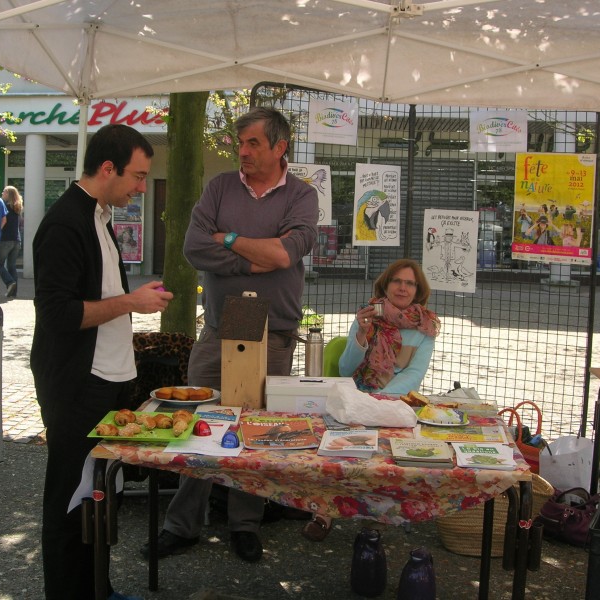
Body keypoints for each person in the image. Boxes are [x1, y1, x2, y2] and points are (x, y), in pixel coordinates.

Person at [152, 106, 318, 563]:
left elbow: (286, 255)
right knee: (197, 425)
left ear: (280, 147)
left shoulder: (302, 195)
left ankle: (245, 525)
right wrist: (254, 258)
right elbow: (193, 248)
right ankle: (182, 525)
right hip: (219, 329)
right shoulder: (219, 187)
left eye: (252, 143)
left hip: (275, 333)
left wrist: (227, 239)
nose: (242, 151)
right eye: (240, 143)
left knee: (257, 430)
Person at [31, 123, 172, 600]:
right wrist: (132, 302)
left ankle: (98, 589)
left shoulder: (99, 215)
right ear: (108, 168)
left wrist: (133, 299)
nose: (141, 187)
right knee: (69, 501)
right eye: (138, 176)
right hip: (77, 384)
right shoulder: (64, 223)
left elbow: (101, 292)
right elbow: (58, 314)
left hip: (107, 379)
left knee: (100, 494)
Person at [303, 258, 440, 542]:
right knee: (337, 451)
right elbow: (345, 369)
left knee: (389, 455)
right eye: (397, 281)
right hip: (355, 396)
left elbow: (414, 376)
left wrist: (377, 402)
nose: (402, 288)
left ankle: (378, 517)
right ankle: (324, 513)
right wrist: (361, 334)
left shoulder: (425, 328)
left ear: (418, 290)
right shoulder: (367, 317)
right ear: (385, 285)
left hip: (394, 402)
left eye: (410, 283)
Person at [0, 185, 23, 298]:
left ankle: (9, 282)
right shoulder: (17, 208)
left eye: (4, 192)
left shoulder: (5, 207)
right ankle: (13, 292)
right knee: (12, 266)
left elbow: (2, 222)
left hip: (6, 240)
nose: (2, 193)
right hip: (16, 240)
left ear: (9, 194)